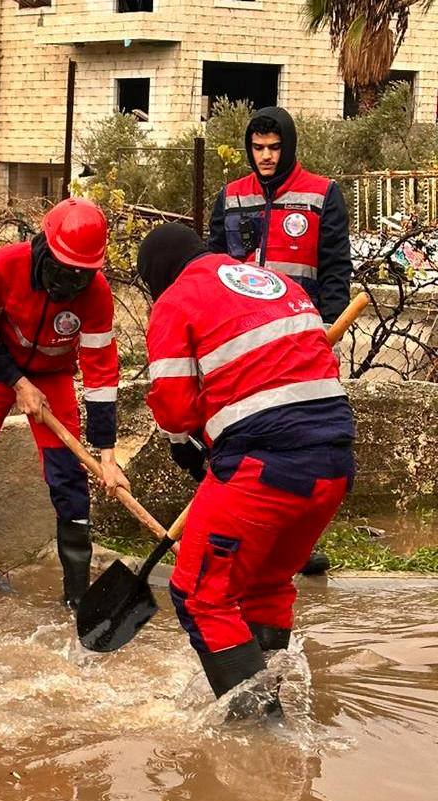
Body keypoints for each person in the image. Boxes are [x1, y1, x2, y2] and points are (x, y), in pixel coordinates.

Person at [138, 222, 355, 718]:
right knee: (265, 585)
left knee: (198, 595)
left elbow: (175, 409)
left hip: (265, 466)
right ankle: (273, 706)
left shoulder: (176, 300)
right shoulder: (277, 283)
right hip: (334, 465)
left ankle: (260, 734)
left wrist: (187, 444)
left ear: (158, 276)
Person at [0, 198, 129, 607]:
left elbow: (100, 374)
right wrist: (17, 382)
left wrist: (107, 456)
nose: (70, 283)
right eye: (64, 270)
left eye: (81, 275)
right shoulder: (3, 265)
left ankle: (77, 598)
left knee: (68, 476)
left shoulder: (96, 294)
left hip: (52, 375)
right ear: (45, 248)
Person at [208, 106, 352, 576]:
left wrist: (327, 331)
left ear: (287, 146)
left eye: (273, 147)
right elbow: (212, 270)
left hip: (299, 341)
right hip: (243, 343)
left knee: (299, 441)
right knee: (245, 439)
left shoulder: (322, 194)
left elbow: (335, 270)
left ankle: (295, 545)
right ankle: (243, 535)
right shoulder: (230, 197)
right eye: (258, 148)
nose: (266, 156)